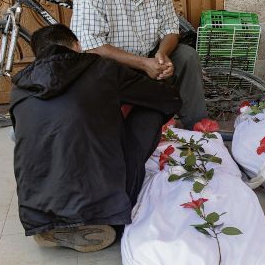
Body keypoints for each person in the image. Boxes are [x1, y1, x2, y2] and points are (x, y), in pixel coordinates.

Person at [10, 24, 182, 252]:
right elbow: (164, 98)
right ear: (77, 45)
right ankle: (102, 216)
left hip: (38, 209)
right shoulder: (102, 68)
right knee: (151, 108)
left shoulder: (19, 88)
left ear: (38, 54)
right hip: (103, 200)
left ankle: (54, 223)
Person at [71, 0, 206, 129]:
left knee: (187, 56)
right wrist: (144, 64)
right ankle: (116, 132)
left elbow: (170, 29)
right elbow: (93, 46)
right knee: (98, 76)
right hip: (113, 64)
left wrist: (162, 54)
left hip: (150, 55)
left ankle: (197, 127)